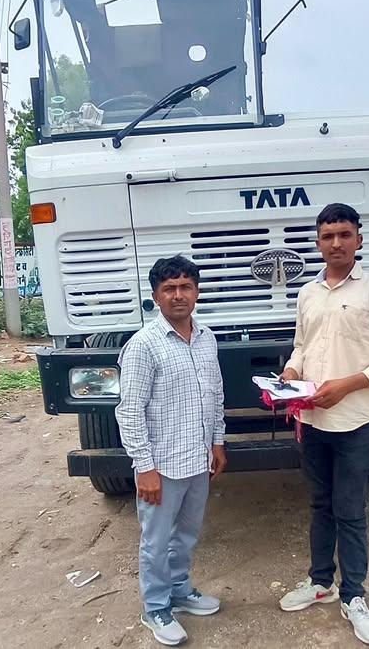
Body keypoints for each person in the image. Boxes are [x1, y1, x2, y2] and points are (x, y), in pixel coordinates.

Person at [278, 203, 369, 645]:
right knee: (320, 504)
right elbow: (301, 346)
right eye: (328, 236)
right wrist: (291, 372)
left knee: (350, 511)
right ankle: (321, 583)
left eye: (344, 234)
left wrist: (348, 385)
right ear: (318, 243)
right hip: (312, 418)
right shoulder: (308, 293)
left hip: (355, 421)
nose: (336, 243)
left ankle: (354, 596)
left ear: (359, 240)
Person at [116, 255, 227, 647]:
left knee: (187, 535)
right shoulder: (143, 346)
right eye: (169, 289)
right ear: (155, 296)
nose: (178, 295)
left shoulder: (206, 337)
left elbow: (215, 394)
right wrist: (144, 467)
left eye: (185, 287)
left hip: (197, 460)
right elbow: (129, 411)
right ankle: (156, 608)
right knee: (157, 541)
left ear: (197, 292)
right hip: (161, 465)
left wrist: (217, 442)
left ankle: (180, 591)